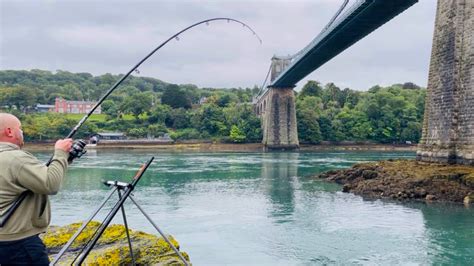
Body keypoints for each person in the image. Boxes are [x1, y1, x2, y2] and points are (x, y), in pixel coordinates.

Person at [0, 113, 73, 265]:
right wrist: (60, 153)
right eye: (20, 128)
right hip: (18, 242)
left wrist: (62, 161)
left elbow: (32, 180)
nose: (22, 132)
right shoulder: (16, 158)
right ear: (9, 131)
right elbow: (50, 184)